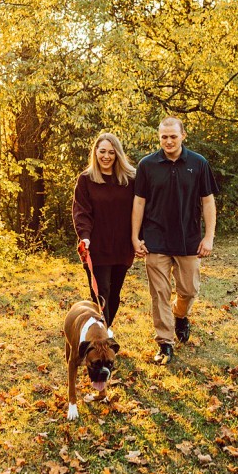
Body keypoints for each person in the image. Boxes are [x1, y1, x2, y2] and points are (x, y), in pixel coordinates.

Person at [132, 117, 219, 365]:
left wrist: (209, 237)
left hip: (188, 239)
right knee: (159, 293)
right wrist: (135, 236)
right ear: (159, 137)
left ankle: (180, 316)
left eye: (173, 136)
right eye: (164, 137)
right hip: (155, 238)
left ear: (183, 136)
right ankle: (165, 343)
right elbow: (139, 202)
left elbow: (208, 201)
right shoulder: (147, 165)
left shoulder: (198, 163)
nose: (168, 141)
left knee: (189, 290)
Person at [72, 132, 137, 332]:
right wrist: (85, 237)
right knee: (101, 293)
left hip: (122, 246)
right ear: (95, 153)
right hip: (97, 247)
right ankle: (104, 338)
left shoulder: (130, 180)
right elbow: (81, 211)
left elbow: (140, 209)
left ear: (118, 154)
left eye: (111, 152)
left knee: (115, 293)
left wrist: (140, 238)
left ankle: (105, 330)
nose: (106, 156)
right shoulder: (86, 179)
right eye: (102, 152)